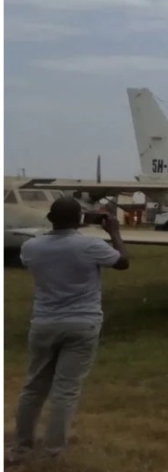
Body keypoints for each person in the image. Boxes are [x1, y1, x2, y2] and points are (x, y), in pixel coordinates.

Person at [7, 198, 128, 464]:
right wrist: (115, 233)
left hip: (44, 322)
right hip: (82, 322)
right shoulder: (90, 245)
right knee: (65, 389)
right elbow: (123, 262)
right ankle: (53, 451)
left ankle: (20, 447)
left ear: (50, 218)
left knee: (34, 387)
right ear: (81, 220)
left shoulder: (31, 247)